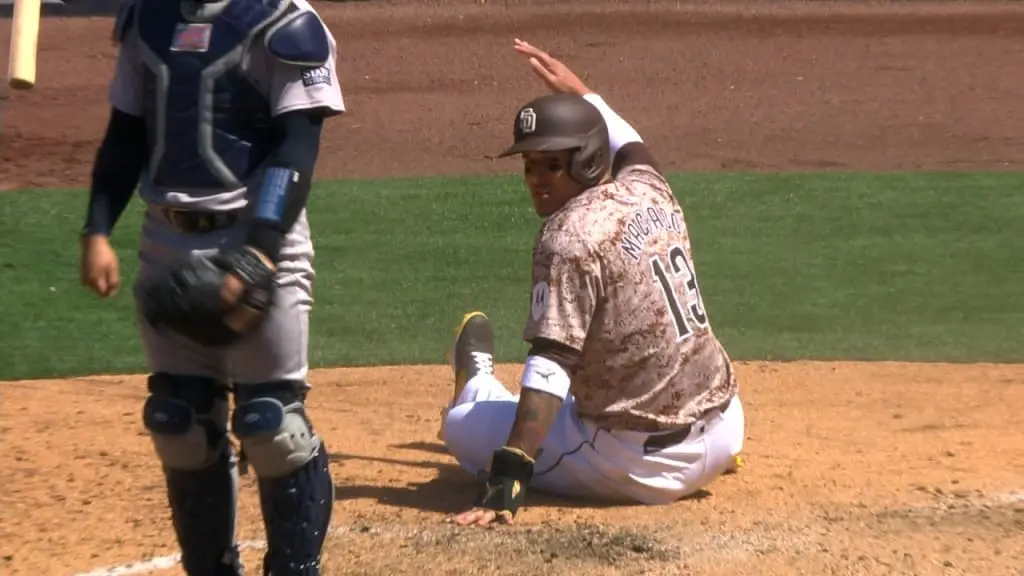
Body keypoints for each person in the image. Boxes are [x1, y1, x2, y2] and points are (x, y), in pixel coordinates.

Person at [78, 0, 344, 572]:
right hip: (166, 237)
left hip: (255, 231)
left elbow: (297, 145)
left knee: (272, 426)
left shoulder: (284, 24)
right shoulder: (146, 20)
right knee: (179, 421)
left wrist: (261, 251)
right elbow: (125, 135)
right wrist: (97, 229)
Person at [437, 39, 746, 527]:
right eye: (529, 165)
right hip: (728, 428)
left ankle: (476, 386)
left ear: (585, 161)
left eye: (552, 165)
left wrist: (510, 473)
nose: (536, 180)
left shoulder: (566, 237)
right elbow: (633, 145)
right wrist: (588, 96)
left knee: (460, 430)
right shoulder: (650, 188)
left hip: (643, 464)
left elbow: (551, 363)